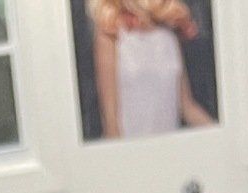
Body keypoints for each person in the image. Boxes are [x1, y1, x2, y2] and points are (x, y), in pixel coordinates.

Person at [89, 0, 217, 137]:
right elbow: (110, 123)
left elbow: (187, 107)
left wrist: (225, 136)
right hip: (132, 149)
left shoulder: (169, 36)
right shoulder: (110, 36)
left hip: (170, 149)